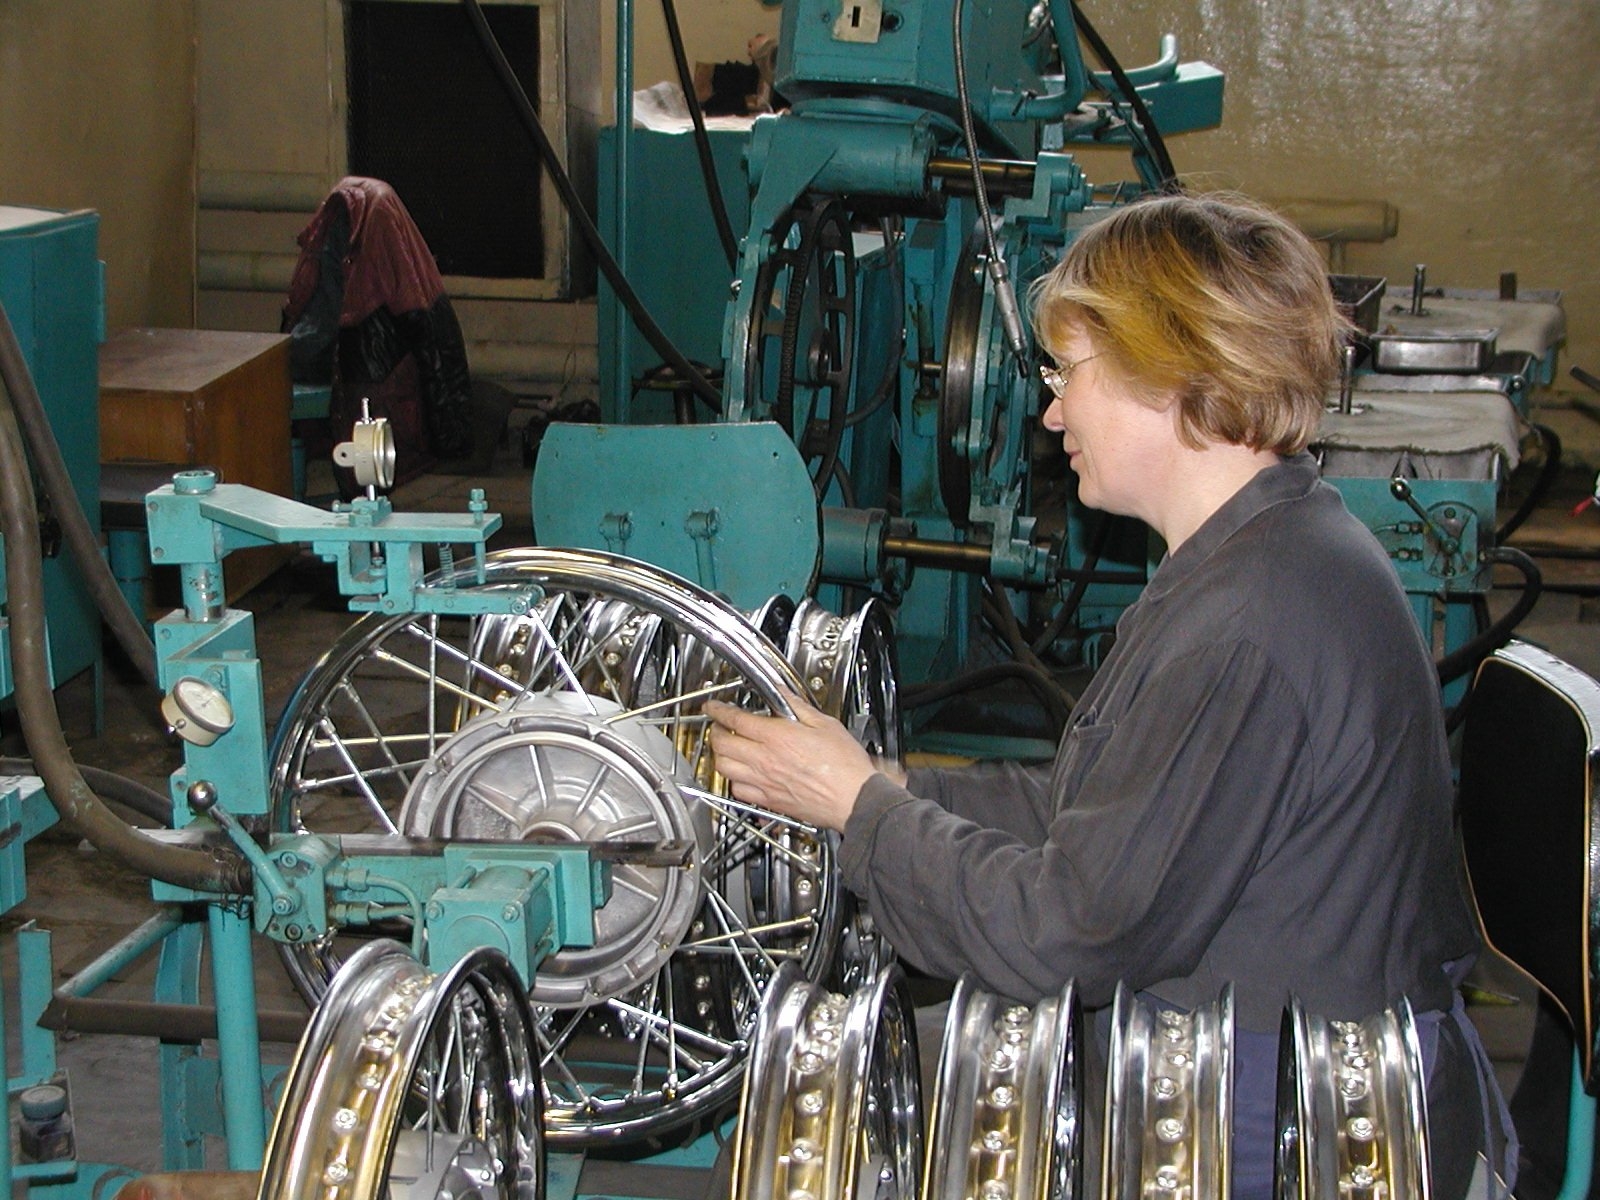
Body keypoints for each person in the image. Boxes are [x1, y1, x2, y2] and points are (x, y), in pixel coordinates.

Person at [707, 192, 1512, 1198]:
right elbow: (1096, 812)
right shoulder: (1264, 550)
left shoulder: (1248, 625)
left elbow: (1069, 936)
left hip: (1278, 1121)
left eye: (1068, 374)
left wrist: (861, 813)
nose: (1050, 415)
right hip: (1248, 1045)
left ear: (1163, 371)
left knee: (811, 1107)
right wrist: (892, 785)